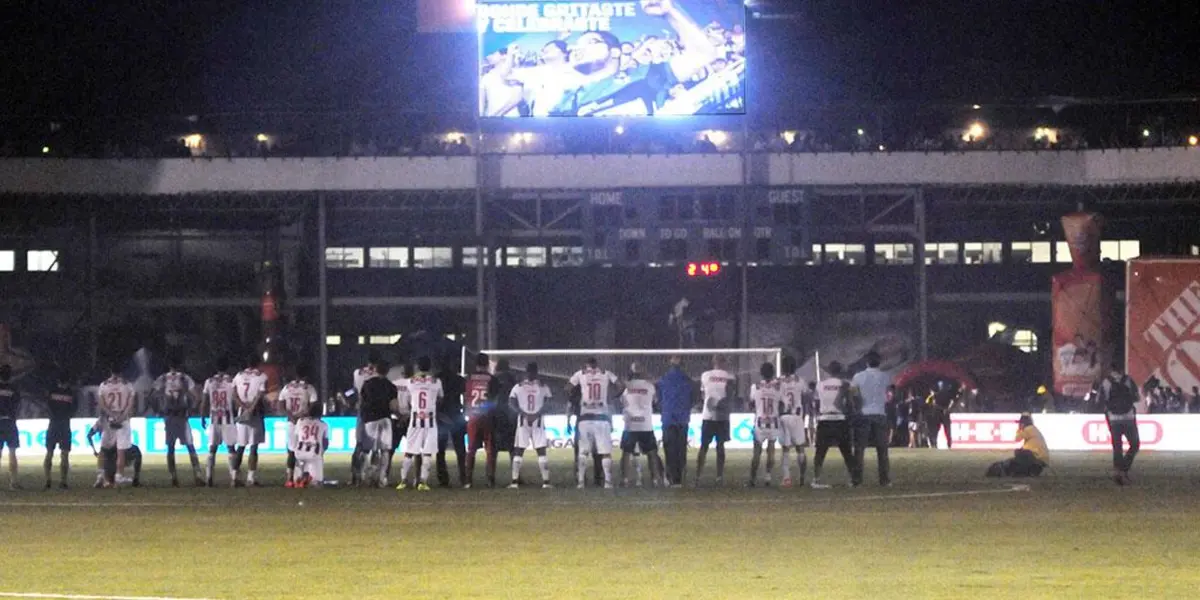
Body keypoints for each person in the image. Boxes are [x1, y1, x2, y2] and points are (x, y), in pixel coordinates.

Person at [152, 356, 204, 487]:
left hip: (169, 417)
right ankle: (197, 475)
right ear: (180, 365)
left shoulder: (163, 378)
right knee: (190, 446)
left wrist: (157, 409)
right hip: (182, 416)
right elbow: (197, 396)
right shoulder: (185, 378)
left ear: (169, 366)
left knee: (170, 448)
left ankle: (173, 477)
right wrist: (192, 408)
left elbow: (152, 395)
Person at [568, 357, 619, 489]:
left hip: (585, 417)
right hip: (601, 417)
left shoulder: (581, 374)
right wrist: (611, 397)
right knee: (605, 452)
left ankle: (581, 482)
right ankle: (607, 482)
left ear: (586, 365)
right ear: (597, 364)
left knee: (583, 452)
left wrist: (577, 397)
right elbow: (622, 385)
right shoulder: (605, 373)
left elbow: (567, 387)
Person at [397, 356, 442, 491]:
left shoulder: (410, 381)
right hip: (430, 420)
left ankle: (403, 481)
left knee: (409, 450)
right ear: (430, 367)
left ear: (417, 366)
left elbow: (409, 398)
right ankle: (423, 482)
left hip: (415, 418)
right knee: (427, 452)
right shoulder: (436, 382)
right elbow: (440, 399)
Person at [811, 362, 857, 489]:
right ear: (840, 371)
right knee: (847, 451)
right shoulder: (845, 384)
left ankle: (816, 478)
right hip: (840, 419)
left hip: (825, 419)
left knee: (820, 451)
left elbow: (815, 402)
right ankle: (853, 479)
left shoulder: (820, 385)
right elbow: (850, 402)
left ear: (829, 371)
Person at [507, 362, 553, 489]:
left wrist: (523, 413)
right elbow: (549, 402)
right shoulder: (542, 386)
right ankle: (546, 482)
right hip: (538, 420)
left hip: (523, 420)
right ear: (536, 372)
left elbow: (511, 402)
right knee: (541, 450)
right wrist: (537, 413)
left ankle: (514, 481)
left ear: (526, 372)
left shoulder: (519, 386)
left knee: (519, 450)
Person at [850, 351, 892, 486]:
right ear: (879, 362)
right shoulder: (886, 376)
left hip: (864, 413)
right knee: (882, 450)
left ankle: (857, 480)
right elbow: (890, 394)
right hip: (880, 413)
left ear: (866, 362)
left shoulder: (858, 377)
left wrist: (857, 408)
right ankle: (884, 479)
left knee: (859, 449)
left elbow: (853, 395)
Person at [353, 359, 395, 487]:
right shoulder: (390, 386)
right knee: (385, 450)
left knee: (367, 449)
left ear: (376, 369)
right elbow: (394, 405)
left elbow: (361, 401)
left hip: (370, 419)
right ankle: (382, 478)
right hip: (385, 419)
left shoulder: (367, 383)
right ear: (387, 372)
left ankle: (365, 476)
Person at [1096, 363, 1140, 485]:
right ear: (1121, 369)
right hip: (1128, 418)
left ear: (1110, 369)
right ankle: (1123, 469)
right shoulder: (1128, 380)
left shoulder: (1106, 382)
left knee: (1117, 446)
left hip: (1113, 419)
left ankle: (1117, 471)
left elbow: (1099, 400)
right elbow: (1137, 398)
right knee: (1135, 444)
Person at [620, 364, 662, 488]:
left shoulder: (627, 387)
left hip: (631, 424)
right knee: (651, 453)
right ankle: (655, 479)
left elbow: (623, 401)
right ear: (643, 372)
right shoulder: (650, 386)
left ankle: (625, 479)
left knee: (626, 453)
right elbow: (655, 401)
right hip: (645, 424)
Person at [464, 353, 503, 488]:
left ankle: (468, 481)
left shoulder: (469, 378)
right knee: (490, 449)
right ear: (487, 364)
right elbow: (496, 400)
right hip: (487, 417)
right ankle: (490, 480)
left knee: (471, 450)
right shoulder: (492, 379)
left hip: (473, 416)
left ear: (476, 364)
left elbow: (465, 395)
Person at [695, 355, 734, 486]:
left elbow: (702, 395)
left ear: (713, 362)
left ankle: (698, 475)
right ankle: (719, 476)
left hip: (708, 414)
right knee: (720, 446)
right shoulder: (730, 376)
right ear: (724, 362)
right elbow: (730, 396)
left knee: (704, 446)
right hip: (722, 415)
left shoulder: (705, 375)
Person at [279, 364, 321, 487]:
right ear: (306, 375)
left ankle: (290, 478)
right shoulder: (309, 388)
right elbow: (313, 406)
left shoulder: (287, 387)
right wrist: (302, 415)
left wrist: (290, 415)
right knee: (304, 448)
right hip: (304, 422)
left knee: (291, 450)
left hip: (291, 422)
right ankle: (303, 477)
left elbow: (280, 404)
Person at [200, 357, 238, 487]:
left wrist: (202, 416)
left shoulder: (209, 381)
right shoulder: (231, 382)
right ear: (227, 367)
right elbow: (235, 398)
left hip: (214, 416)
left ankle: (209, 478)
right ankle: (233, 478)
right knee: (231, 448)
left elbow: (204, 400)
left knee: (212, 448)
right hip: (227, 417)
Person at [97, 363, 137, 487]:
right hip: (122, 420)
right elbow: (130, 405)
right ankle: (119, 476)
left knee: (103, 450)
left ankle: (100, 476)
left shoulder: (103, 385)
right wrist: (121, 417)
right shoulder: (128, 385)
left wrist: (111, 416)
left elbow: (102, 404)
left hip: (109, 419)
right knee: (121, 451)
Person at [232, 356, 269, 486]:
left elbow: (234, 393)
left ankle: (234, 477)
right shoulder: (261, 376)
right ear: (258, 363)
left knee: (240, 447)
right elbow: (260, 395)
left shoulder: (239, 375)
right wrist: (251, 408)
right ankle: (250, 478)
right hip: (255, 414)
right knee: (253, 447)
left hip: (242, 412)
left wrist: (243, 406)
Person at [657, 355, 693, 488]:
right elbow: (692, 398)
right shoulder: (687, 380)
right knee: (681, 449)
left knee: (670, 449)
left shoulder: (663, 380)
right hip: (682, 419)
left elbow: (659, 400)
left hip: (668, 418)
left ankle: (671, 477)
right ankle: (679, 478)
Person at [747, 362, 780, 488]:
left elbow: (751, 404)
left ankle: (752, 479)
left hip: (760, 422)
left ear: (761, 373)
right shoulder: (777, 387)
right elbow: (782, 404)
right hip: (773, 422)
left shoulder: (755, 387)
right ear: (773, 373)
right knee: (771, 451)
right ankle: (767, 477)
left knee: (756, 453)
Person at [43, 370, 77, 489]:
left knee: (49, 453)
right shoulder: (71, 393)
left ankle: (48, 480)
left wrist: (53, 415)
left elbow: (47, 405)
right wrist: (66, 416)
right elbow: (74, 408)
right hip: (65, 425)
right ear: (68, 381)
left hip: (53, 424)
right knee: (65, 454)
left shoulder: (52, 391)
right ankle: (63, 481)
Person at [777, 356, 808, 488]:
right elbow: (806, 397)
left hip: (784, 416)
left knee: (785, 449)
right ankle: (802, 477)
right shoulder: (800, 381)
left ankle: (787, 478)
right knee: (800, 448)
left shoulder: (778, 382)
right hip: (797, 416)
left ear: (783, 367)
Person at [435, 361, 467, 488]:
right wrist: (464, 411)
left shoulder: (437, 379)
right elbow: (465, 397)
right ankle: (463, 477)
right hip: (455, 415)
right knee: (460, 448)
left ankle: (443, 479)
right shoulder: (459, 379)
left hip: (441, 415)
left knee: (440, 449)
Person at [350, 352, 380, 485]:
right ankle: (372, 476)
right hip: (375, 412)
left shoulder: (357, 372)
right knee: (375, 446)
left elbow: (355, 390)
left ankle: (355, 476)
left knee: (359, 444)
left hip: (361, 410)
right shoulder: (378, 375)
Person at [87, 421, 142, 488]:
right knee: (136, 452)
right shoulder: (118, 419)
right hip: (114, 453)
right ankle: (133, 478)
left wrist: (94, 450)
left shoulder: (101, 421)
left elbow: (89, 435)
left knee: (110, 479)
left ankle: (103, 477)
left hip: (108, 453)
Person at [289, 402, 329, 488]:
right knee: (317, 482)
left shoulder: (300, 421)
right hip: (314, 453)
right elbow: (325, 443)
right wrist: (321, 452)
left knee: (297, 477)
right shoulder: (323, 424)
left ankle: (301, 477)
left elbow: (296, 438)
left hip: (299, 453)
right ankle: (309, 478)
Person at [387, 362, 413, 486]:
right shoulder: (413, 384)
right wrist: (405, 417)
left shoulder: (394, 384)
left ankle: (384, 476)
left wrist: (398, 415)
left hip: (395, 418)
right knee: (414, 449)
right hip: (408, 418)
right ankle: (411, 478)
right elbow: (413, 404)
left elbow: (390, 402)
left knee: (390, 449)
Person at [0, 364, 21, 489]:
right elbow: (17, 405)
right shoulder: (13, 389)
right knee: (12, 452)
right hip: (9, 422)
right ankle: (13, 482)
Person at [925, 381, 957, 449]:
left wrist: (932, 396)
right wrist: (948, 408)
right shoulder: (947, 394)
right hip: (944, 411)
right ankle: (948, 443)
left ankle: (935, 443)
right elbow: (952, 401)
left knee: (937, 429)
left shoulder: (936, 395)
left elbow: (928, 402)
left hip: (938, 411)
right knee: (946, 429)